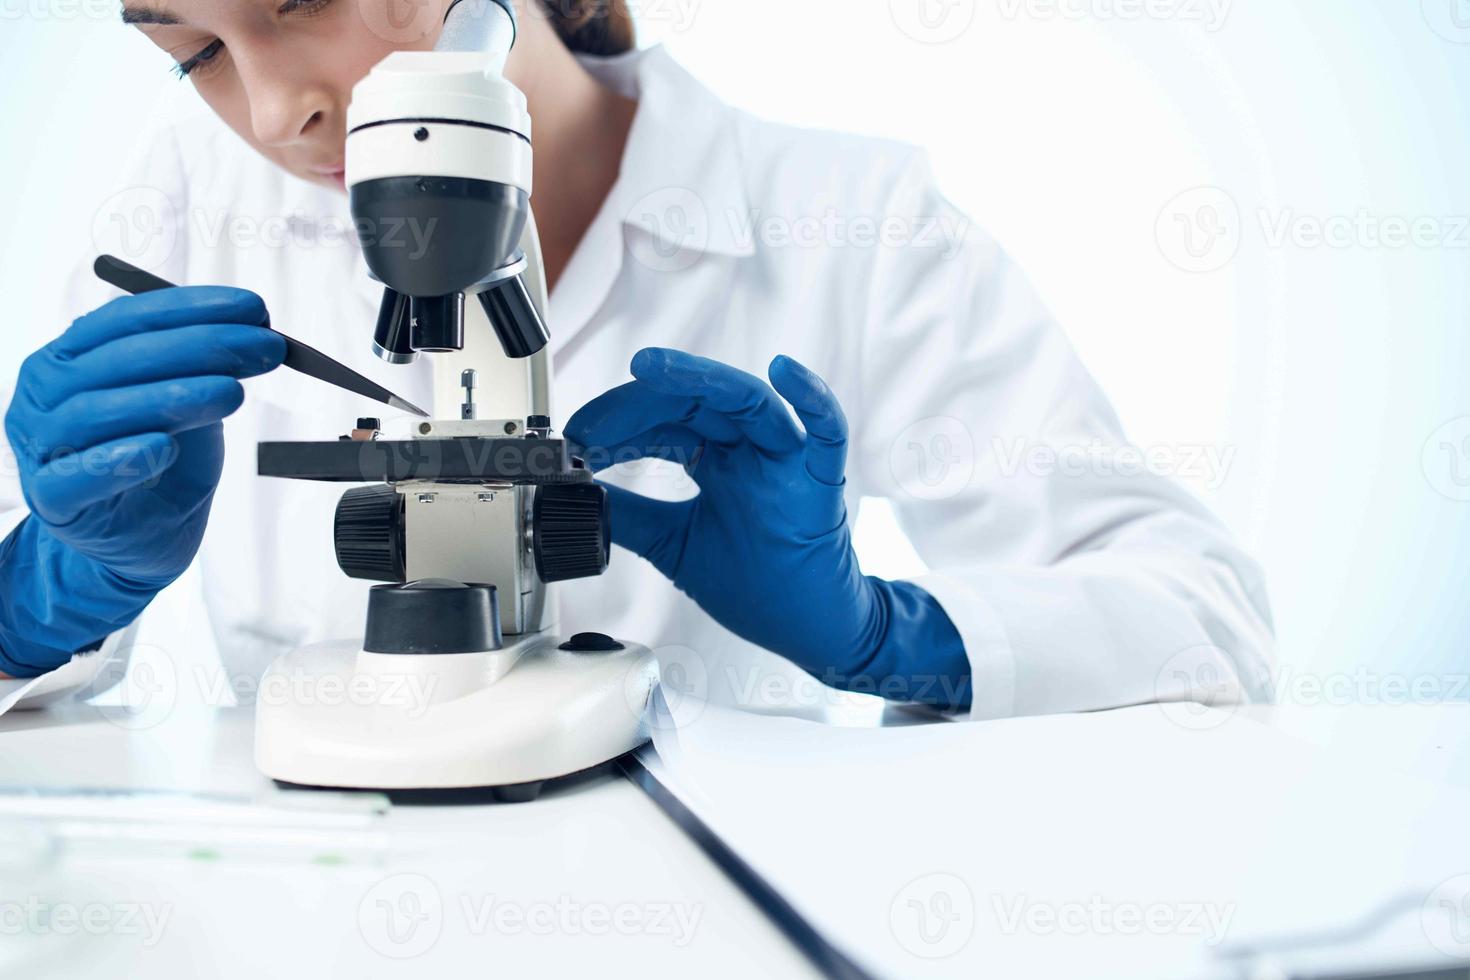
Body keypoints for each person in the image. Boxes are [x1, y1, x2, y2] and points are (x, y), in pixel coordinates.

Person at [0, 0, 1274, 718]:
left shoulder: (847, 215)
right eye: (200, 54)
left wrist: (889, 631)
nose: (276, 111)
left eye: (303, 0)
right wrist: (49, 582)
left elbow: (1203, 618)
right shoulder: (186, 201)